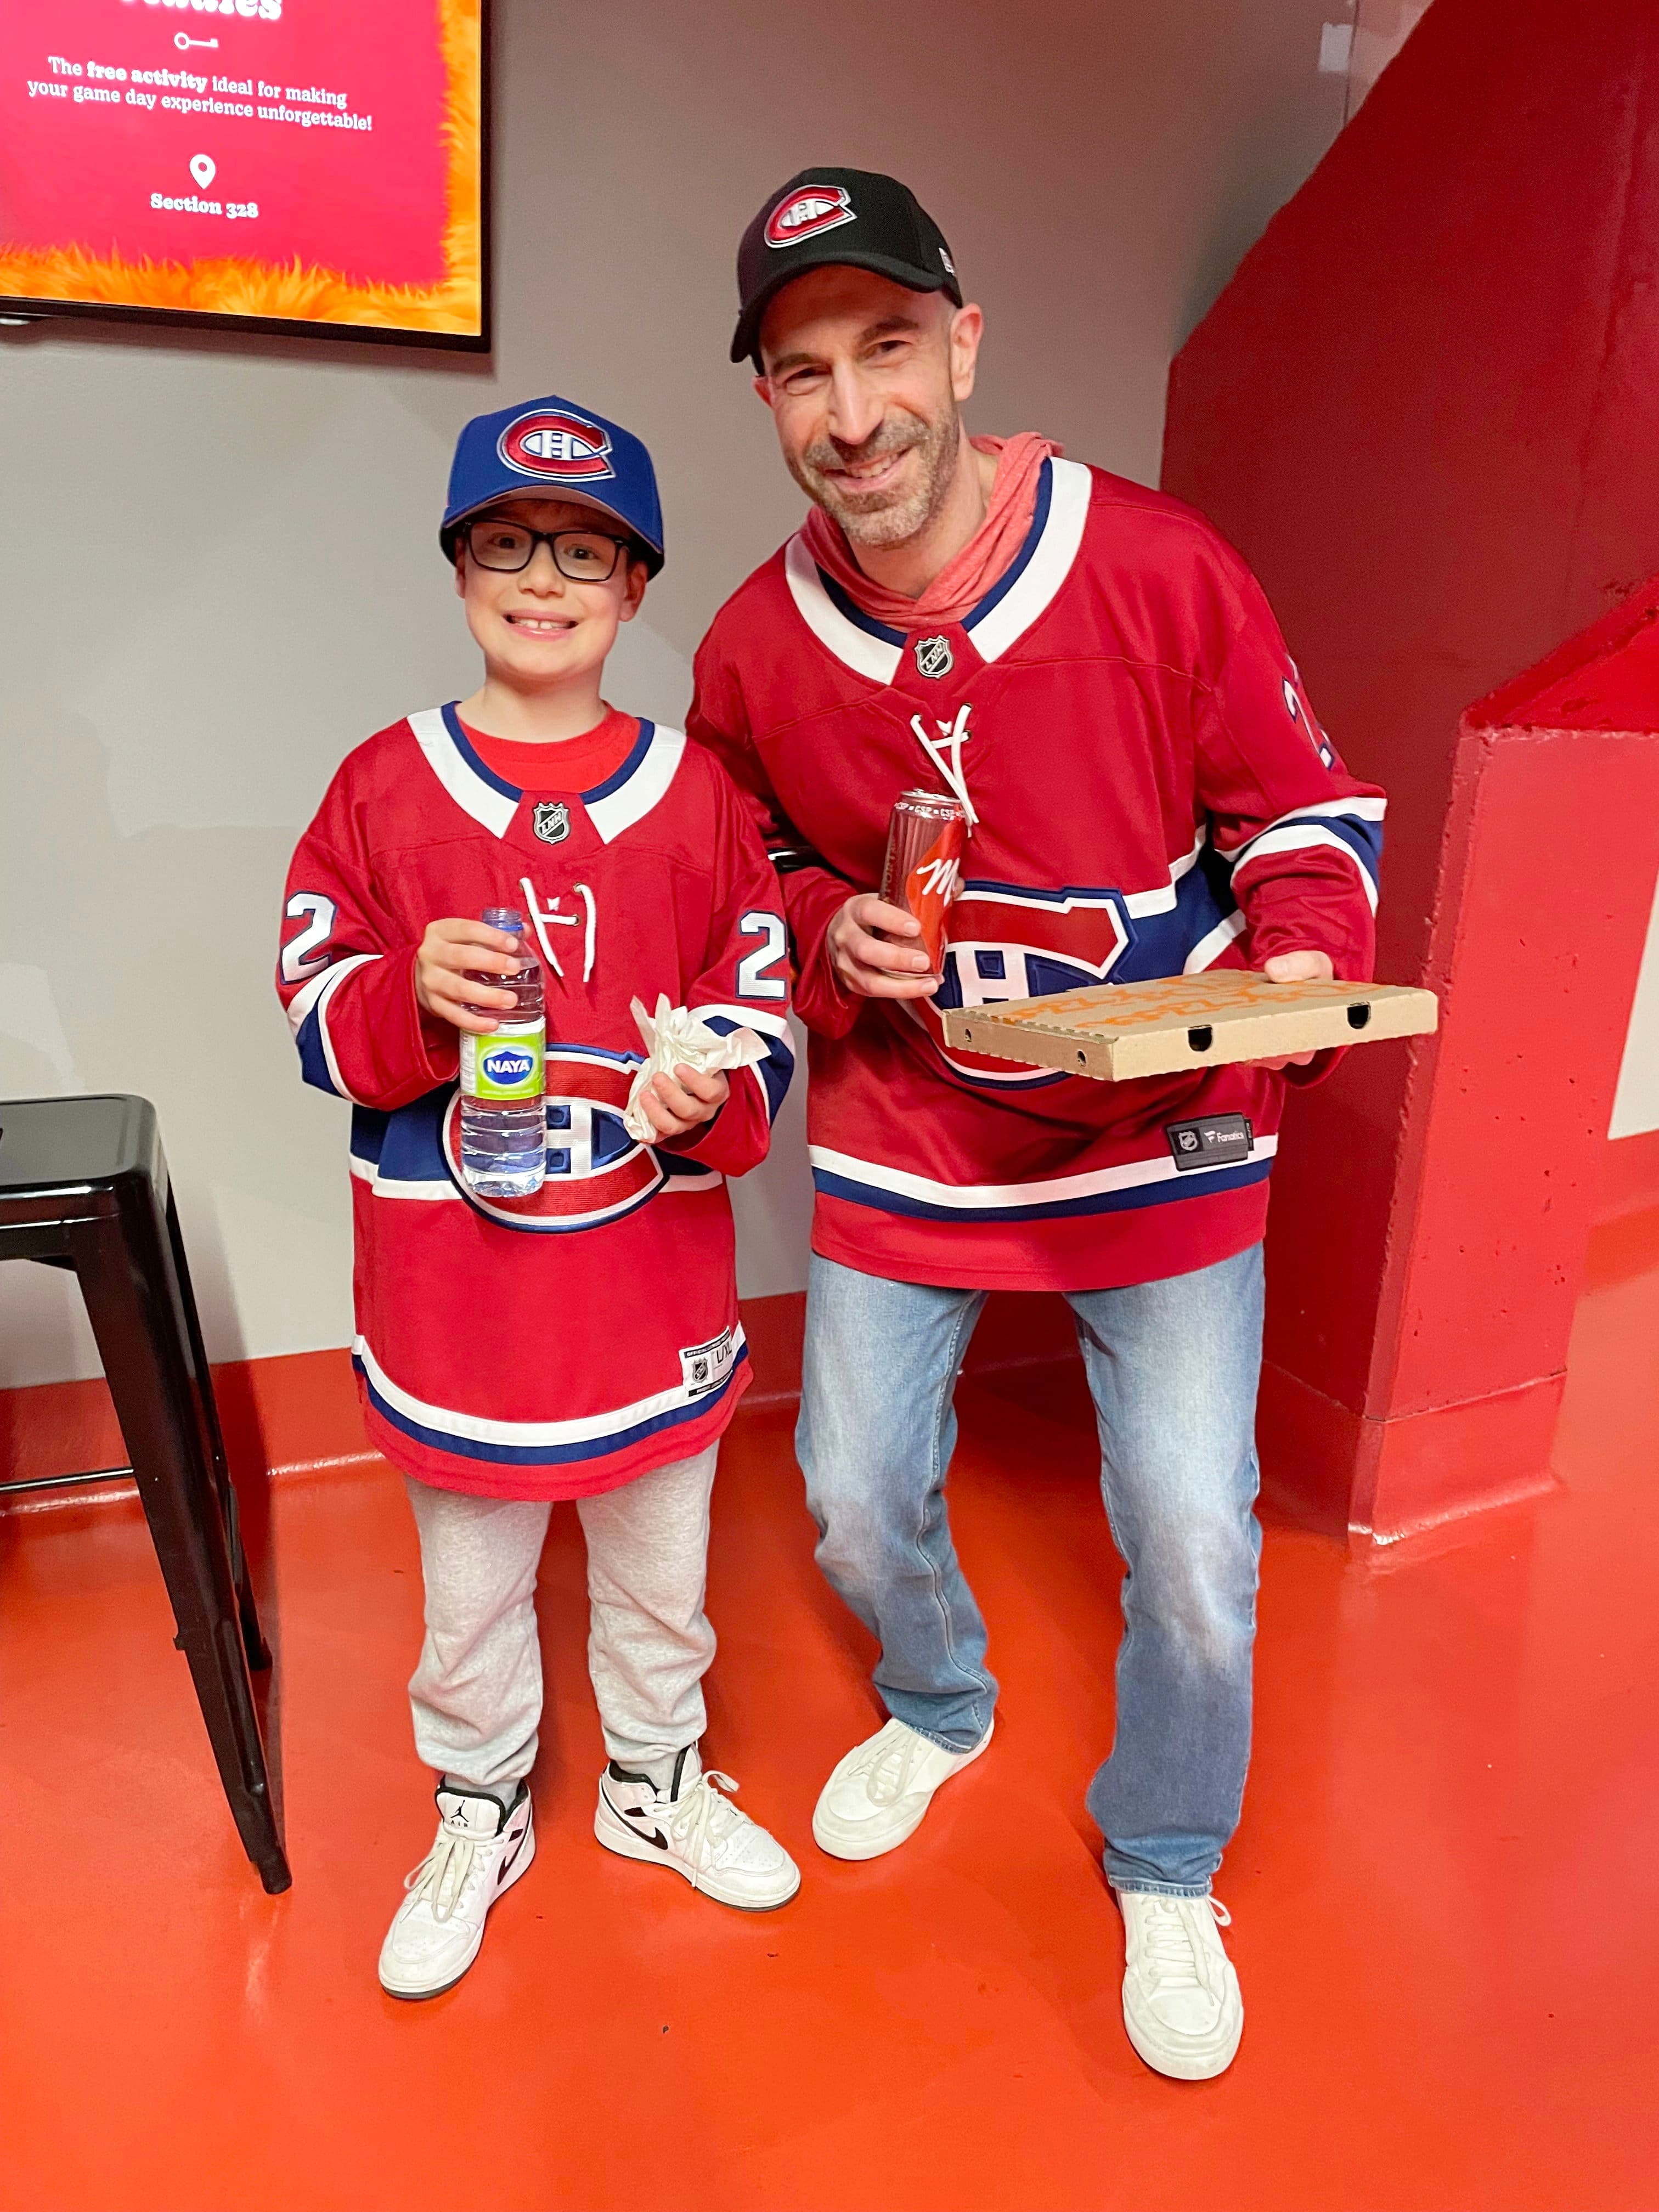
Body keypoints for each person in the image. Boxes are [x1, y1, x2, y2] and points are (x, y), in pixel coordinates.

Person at [689, 169, 1387, 2080]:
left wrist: (1291, 985)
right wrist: (822, 926)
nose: (856, 415)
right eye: (805, 370)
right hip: (910, 1137)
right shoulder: (754, 642)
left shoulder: (1160, 566)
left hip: (1159, 1147)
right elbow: (724, 861)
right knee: (846, 1492)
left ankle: (1167, 1855)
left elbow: (1303, 817)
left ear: (965, 341)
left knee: (1196, 1541)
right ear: (765, 397)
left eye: (890, 348)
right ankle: (938, 1702)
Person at [278, 394, 802, 2001]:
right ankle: (481, 1801)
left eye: (585, 551)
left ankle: (654, 1780)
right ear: (458, 570)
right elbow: (310, 1002)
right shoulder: (381, 785)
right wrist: (406, 999)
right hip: (464, 1304)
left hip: (646, 1292)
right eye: (507, 545)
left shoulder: (701, 798)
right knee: (470, 1591)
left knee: (662, 1570)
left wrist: (708, 1080)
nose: (545, 578)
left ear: (634, 588)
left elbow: (763, 998)